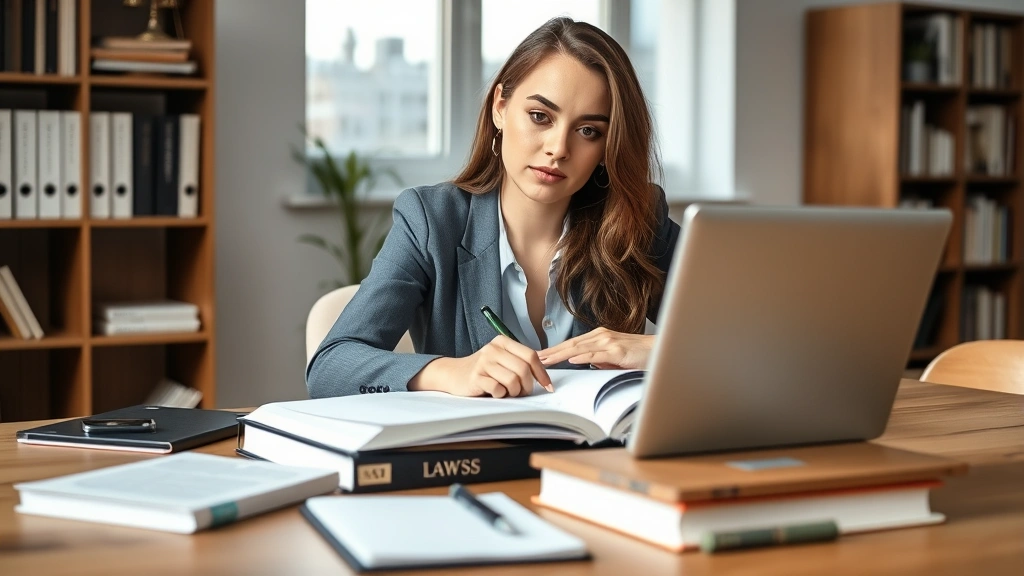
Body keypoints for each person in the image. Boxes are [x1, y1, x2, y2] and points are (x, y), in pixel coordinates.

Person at [306, 17, 680, 399]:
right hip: (475, 458)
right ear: (500, 107)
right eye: (540, 117)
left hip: (597, 457)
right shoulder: (432, 220)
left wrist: (668, 350)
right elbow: (330, 367)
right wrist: (449, 372)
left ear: (608, 145)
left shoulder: (638, 219)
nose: (558, 148)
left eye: (588, 131)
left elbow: (740, 336)